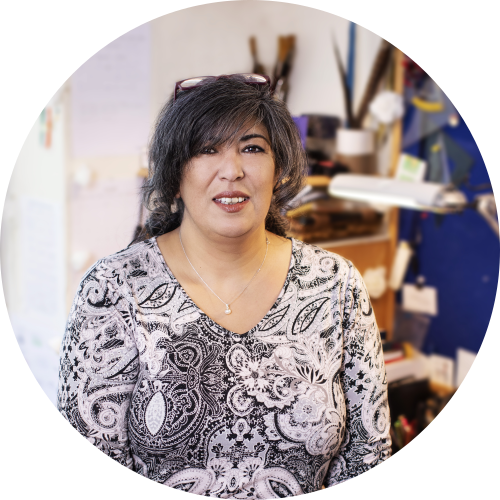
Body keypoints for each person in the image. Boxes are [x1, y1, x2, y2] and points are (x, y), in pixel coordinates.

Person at [57, 74, 391, 498]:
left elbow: (367, 458)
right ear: (174, 173)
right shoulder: (114, 290)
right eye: (206, 149)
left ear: (279, 169)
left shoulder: (336, 285)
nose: (232, 171)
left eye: (252, 148)